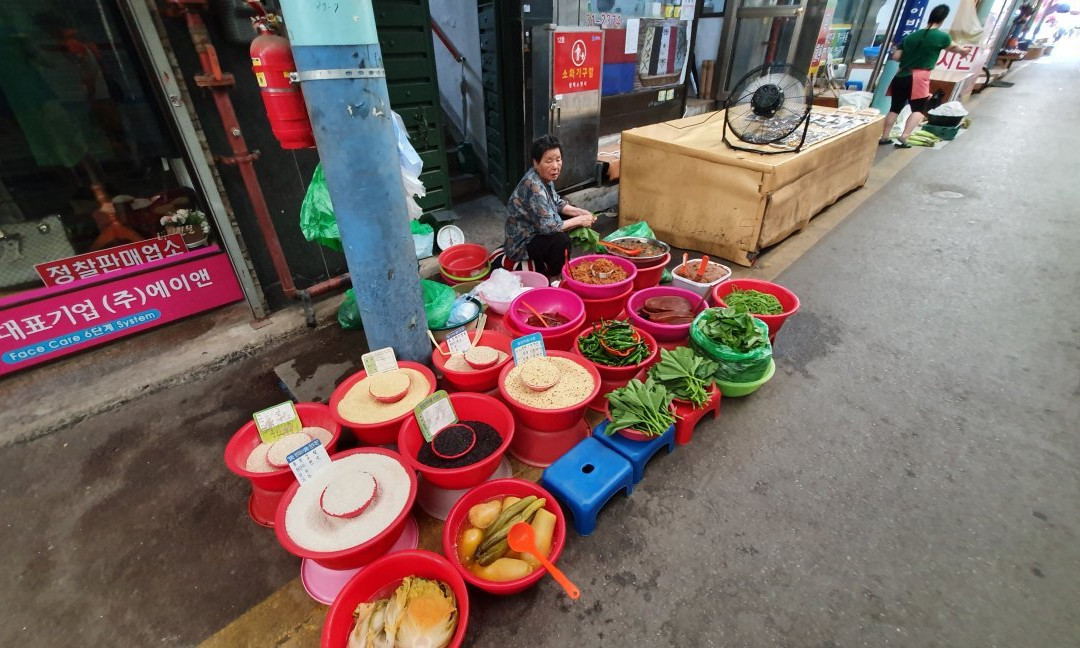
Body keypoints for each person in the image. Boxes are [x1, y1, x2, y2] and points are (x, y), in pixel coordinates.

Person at [493, 135, 596, 278]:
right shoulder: (534, 188)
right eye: (549, 161)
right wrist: (580, 220)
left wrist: (580, 212)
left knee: (570, 213)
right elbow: (550, 227)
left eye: (558, 159)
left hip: (536, 228)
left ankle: (558, 260)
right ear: (536, 163)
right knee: (561, 240)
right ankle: (554, 275)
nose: (555, 166)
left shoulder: (544, 177)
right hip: (522, 242)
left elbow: (557, 203)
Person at [880, 4, 973, 148]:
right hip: (918, 77)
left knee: (894, 108)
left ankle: (885, 136)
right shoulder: (942, 36)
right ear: (942, 19)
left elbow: (897, 56)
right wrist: (962, 51)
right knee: (918, 109)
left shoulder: (911, 36)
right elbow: (953, 47)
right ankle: (904, 137)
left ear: (929, 17)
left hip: (901, 75)